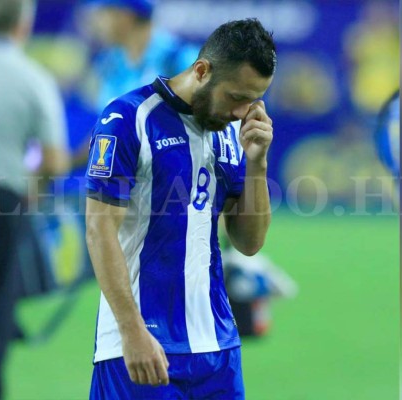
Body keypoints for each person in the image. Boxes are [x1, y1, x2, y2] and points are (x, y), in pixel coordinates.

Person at [85, 18, 276, 399]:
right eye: (236, 96)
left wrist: (257, 163)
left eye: (252, 100)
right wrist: (131, 331)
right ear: (202, 70)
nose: (242, 112)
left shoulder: (231, 135)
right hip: (141, 348)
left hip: (218, 348)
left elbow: (249, 242)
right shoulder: (128, 119)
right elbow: (99, 229)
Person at [0, 0, 70, 398]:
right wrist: (34, 189)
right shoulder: (33, 78)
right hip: (1, 203)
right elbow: (53, 159)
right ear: (23, 25)